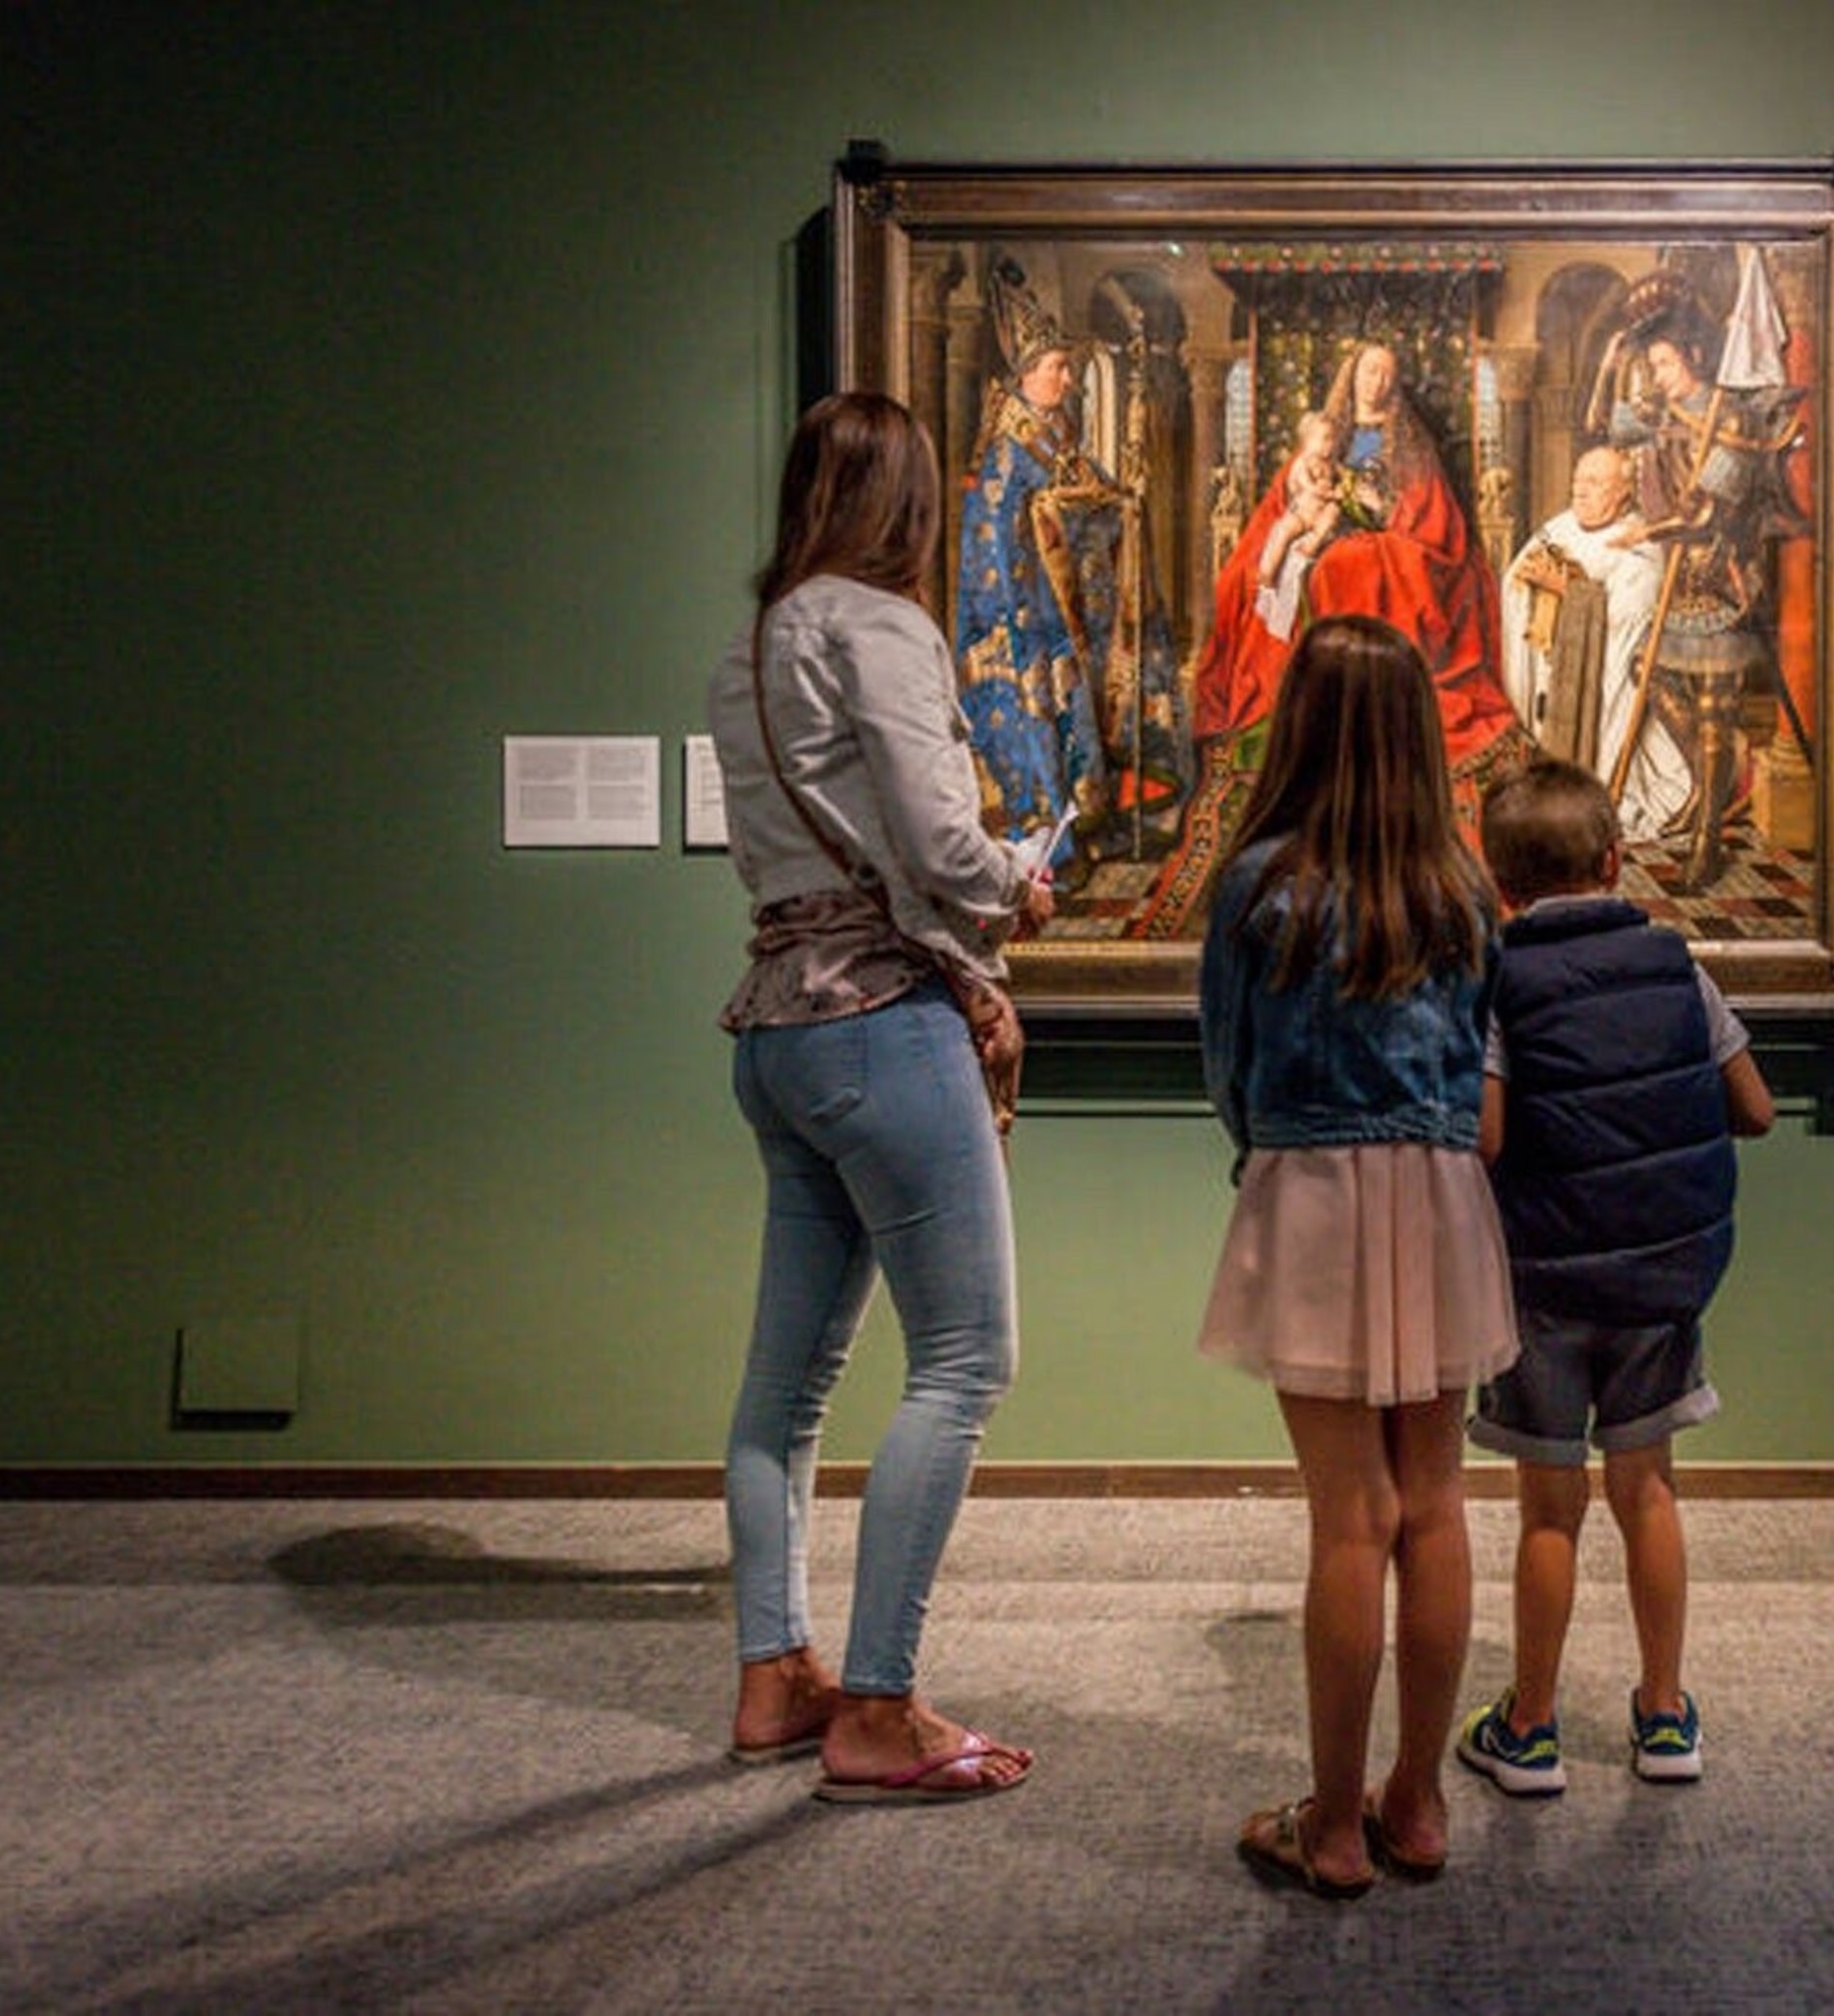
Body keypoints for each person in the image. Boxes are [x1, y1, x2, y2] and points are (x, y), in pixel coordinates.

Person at [705, 390, 1054, 1804]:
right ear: (907, 505)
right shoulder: (884, 625)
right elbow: (935, 834)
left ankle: (772, 1676)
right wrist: (1011, 882)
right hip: (880, 1027)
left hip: (778, 1029)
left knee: (783, 1393)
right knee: (968, 1357)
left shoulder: (747, 648)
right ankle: (879, 1705)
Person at [1194, 614, 1517, 1897]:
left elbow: (1226, 1055)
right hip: (1439, 1192)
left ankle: (1331, 1824)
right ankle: (1418, 1799)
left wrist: (1265, 1141)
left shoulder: (1264, 880)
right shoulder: (1459, 884)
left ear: (1305, 722)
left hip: (1317, 1186)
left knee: (1350, 1513)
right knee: (1433, 1503)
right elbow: (1485, 1042)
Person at [1452, 758, 1773, 1798]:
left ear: (1497, 882)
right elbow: (1755, 1107)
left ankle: (1532, 1729)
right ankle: (1665, 1713)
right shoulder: (1680, 969)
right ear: (1615, 858)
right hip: (1661, 1279)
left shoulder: (1497, 979)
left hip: (1542, 1283)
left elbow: (1489, 1133)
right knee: (1650, 1489)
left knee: (1550, 1511)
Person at [1129, 340, 1529, 936]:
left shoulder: (1410, 440)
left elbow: (1426, 514)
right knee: (1299, 562)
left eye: (1387, 373)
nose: (1376, 380)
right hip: (1326, 526)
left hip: (1380, 538)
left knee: (1353, 565)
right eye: (1369, 369)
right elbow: (1290, 494)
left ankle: (1359, 674)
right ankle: (1317, 683)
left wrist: (1376, 515)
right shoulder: (1329, 430)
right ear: (1354, 375)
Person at [954, 265, 1190, 870]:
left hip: (1069, 614)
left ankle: (1086, 826)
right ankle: (1049, 848)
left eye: (1066, 367)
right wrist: (1019, 618)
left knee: (1084, 710)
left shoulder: (1056, 439)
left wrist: (1124, 506)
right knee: (1044, 725)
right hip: (1025, 621)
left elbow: (1095, 494)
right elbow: (992, 544)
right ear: (1025, 377)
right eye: (1056, 368)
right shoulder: (1008, 451)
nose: (1066, 377)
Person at [1592, 287, 1807, 890]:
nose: (1657, 376)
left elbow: (1710, 514)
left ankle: (1709, 840)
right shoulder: (1664, 413)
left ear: (1693, 354)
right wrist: (1613, 366)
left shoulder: (1730, 417)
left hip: (1720, 580)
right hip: (1676, 579)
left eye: (1664, 363)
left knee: (1715, 709)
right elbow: (1602, 427)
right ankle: (1711, 785)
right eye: (1652, 365)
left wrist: (1646, 527)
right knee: (1650, 674)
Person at [1495, 445, 1684, 840]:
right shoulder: (1560, 527)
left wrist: (1566, 590)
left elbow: (1625, 620)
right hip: (1548, 672)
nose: (1579, 490)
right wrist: (1530, 581)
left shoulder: (1638, 546)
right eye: (1578, 479)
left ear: (1624, 493)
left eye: (1594, 482)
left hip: (1604, 687)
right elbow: (1514, 581)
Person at [1250, 409, 1357, 639]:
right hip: (1301, 513)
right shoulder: (1302, 463)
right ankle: (1267, 573)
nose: (1329, 445)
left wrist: (1342, 490)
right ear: (1308, 440)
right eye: (1324, 438)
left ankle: (1313, 543)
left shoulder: (1333, 465)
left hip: (1319, 515)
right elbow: (1302, 484)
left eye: (1332, 439)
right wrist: (1319, 488)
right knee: (1282, 531)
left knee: (1333, 513)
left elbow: (1344, 482)